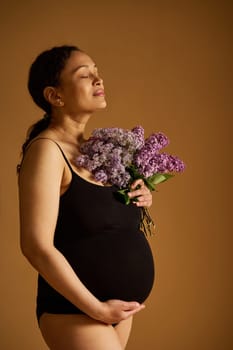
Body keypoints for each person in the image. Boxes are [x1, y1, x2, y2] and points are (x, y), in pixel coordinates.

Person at [18, 45, 155, 350]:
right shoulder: (46, 151)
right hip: (77, 311)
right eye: (85, 75)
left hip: (118, 311)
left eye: (97, 72)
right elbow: (35, 246)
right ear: (55, 96)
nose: (98, 79)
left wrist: (141, 197)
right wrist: (96, 309)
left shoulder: (100, 150)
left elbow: (105, 222)